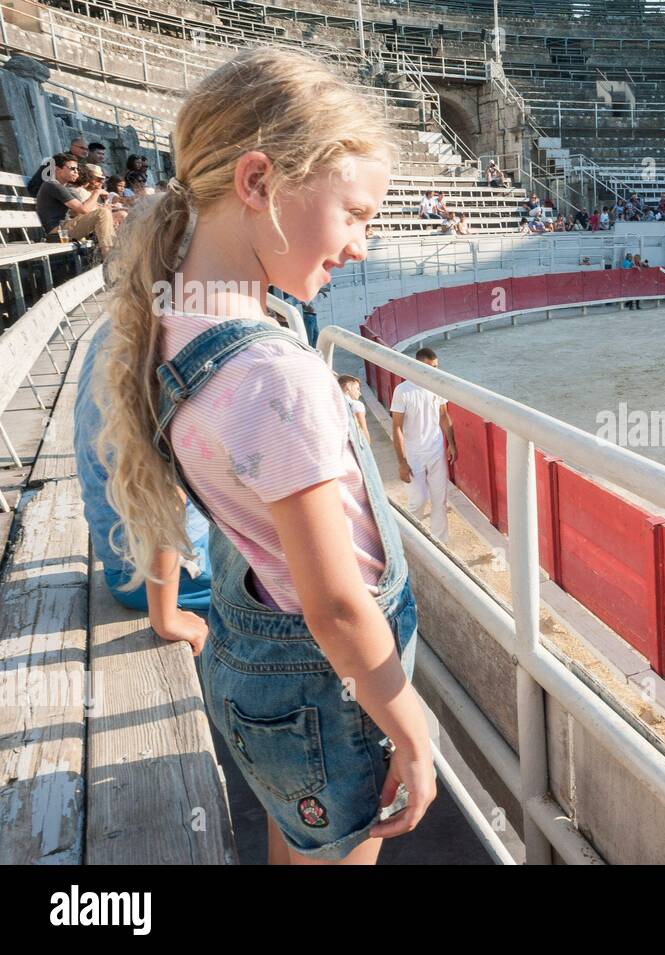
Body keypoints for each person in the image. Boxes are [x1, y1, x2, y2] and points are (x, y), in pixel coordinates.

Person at [93, 47, 435, 865]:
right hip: (333, 682)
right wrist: (415, 733)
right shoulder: (277, 377)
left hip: (265, 667)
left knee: (296, 840)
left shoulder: (178, 321)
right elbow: (340, 608)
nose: (362, 243)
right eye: (355, 213)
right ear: (258, 183)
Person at [74, 323, 212, 640]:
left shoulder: (122, 324)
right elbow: (164, 493)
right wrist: (166, 620)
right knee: (296, 597)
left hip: (125, 554)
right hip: (161, 570)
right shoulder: (173, 340)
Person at [390, 348, 457, 544]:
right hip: (413, 455)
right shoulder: (403, 391)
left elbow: (443, 415)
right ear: (419, 365)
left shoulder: (438, 386)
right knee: (417, 501)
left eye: (437, 367)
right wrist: (401, 462)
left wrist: (451, 444)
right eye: (431, 367)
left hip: (436, 451)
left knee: (440, 500)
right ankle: (412, 543)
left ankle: (440, 544)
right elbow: (397, 428)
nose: (435, 371)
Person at [35, 153, 116, 251]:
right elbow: (84, 209)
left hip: (64, 227)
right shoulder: (53, 185)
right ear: (57, 169)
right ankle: (108, 256)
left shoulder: (59, 186)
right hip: (57, 231)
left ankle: (111, 254)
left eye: (77, 169)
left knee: (108, 214)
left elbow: (76, 211)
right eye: (72, 168)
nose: (76, 172)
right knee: (102, 213)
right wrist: (97, 192)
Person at [338, 374, 371, 446]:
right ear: (348, 387)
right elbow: (362, 428)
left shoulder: (336, 404)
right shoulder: (356, 405)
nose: (360, 393)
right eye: (357, 388)